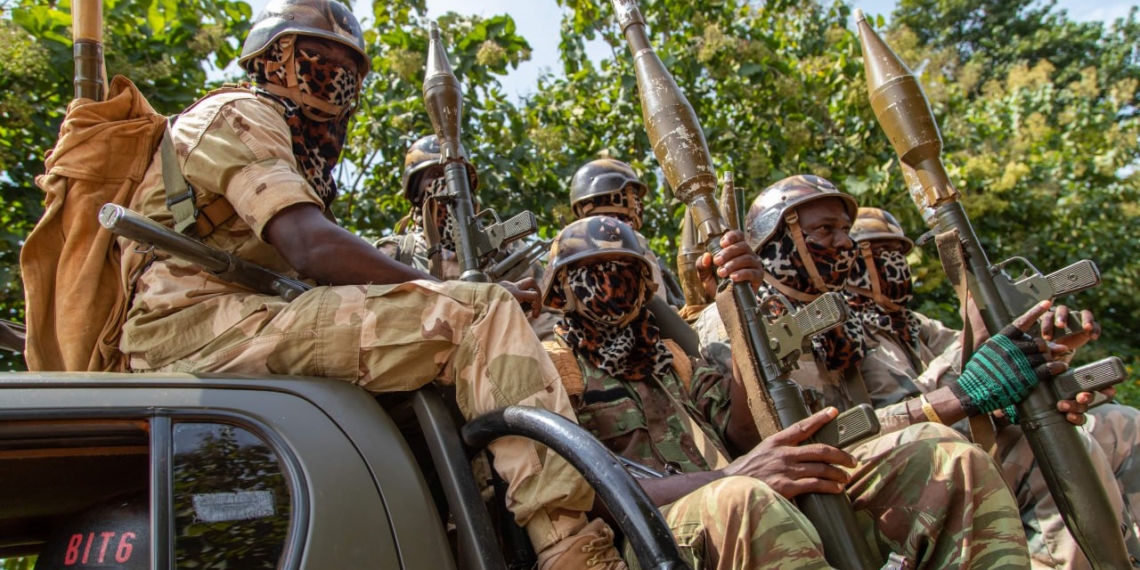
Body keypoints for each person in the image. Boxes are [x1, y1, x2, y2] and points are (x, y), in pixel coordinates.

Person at [116, 1, 624, 568]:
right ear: (270, 59)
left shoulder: (284, 139)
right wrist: (439, 289)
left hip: (233, 324)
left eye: (347, 66)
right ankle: (573, 549)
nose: (334, 76)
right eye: (315, 57)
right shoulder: (240, 112)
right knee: (479, 314)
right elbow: (311, 245)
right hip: (198, 329)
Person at [544, 215, 1032, 569]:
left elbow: (740, 428)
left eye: (626, 270)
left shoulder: (669, 357)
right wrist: (733, 475)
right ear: (558, 290)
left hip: (744, 498)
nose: (612, 285)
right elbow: (579, 499)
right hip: (651, 537)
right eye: (593, 272)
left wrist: (739, 313)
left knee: (940, 456)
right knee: (742, 499)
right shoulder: (551, 369)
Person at [847, 206, 1140, 569]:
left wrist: (1046, 343)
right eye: (876, 254)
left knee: (1121, 422)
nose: (894, 264)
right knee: (1055, 443)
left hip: (971, 435)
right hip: (916, 464)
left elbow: (992, 360)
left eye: (898, 253)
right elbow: (912, 407)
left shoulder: (914, 326)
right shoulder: (848, 334)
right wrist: (981, 330)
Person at [377, 134, 556, 336]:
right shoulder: (396, 253)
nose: (445, 182)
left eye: (455, 175)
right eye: (435, 174)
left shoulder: (509, 249)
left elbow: (546, 319)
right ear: (415, 191)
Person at [569, 158, 685, 308]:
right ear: (614, 197)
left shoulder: (571, 243)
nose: (638, 204)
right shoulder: (622, 238)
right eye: (632, 195)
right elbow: (657, 308)